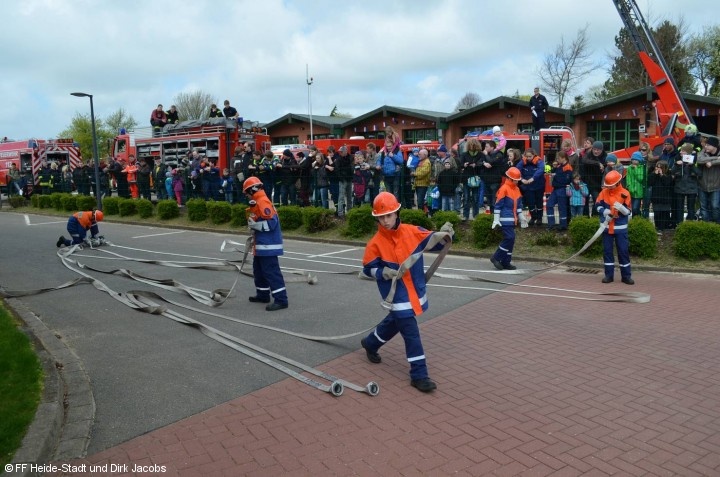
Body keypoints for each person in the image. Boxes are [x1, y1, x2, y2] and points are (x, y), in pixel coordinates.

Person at [359, 192, 453, 392]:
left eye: (389, 215)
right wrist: (381, 271)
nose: (385, 221)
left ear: (396, 213)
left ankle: (370, 342)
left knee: (396, 321)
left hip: (414, 291)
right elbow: (368, 268)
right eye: (381, 217)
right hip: (395, 294)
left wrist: (446, 234)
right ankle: (419, 374)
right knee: (411, 332)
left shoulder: (412, 232)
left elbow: (434, 242)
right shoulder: (375, 243)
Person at [243, 176, 288, 311]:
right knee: (259, 271)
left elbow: (272, 223)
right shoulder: (257, 201)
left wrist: (255, 226)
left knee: (271, 272)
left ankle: (281, 299)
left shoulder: (262, 202)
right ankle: (262, 294)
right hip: (261, 244)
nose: (246, 195)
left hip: (268, 245)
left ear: (252, 190)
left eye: (247, 192)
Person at [596, 170, 634, 284]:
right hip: (607, 227)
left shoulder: (625, 193)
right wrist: (604, 211)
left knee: (623, 251)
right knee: (607, 251)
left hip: (620, 228)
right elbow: (597, 206)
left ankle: (626, 276)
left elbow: (629, 211)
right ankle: (609, 275)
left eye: (611, 185)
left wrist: (623, 209)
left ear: (618, 183)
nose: (609, 188)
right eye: (608, 185)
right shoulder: (603, 192)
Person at [490, 167, 527, 271]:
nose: (518, 182)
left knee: (511, 240)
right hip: (505, 219)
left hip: (512, 219)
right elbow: (497, 205)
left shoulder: (517, 189)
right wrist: (496, 219)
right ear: (510, 179)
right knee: (509, 238)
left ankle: (506, 262)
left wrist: (521, 217)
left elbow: (519, 206)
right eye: (516, 180)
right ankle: (496, 257)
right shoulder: (503, 188)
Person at [671, 142, 699, 224]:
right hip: (679, 187)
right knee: (679, 208)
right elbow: (672, 172)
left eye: (683, 151)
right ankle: (679, 225)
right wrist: (676, 164)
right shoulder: (677, 159)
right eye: (681, 151)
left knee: (691, 208)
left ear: (688, 152)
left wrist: (692, 165)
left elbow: (699, 173)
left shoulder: (695, 160)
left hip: (691, 188)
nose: (680, 152)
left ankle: (690, 225)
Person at [546, 150, 573, 231]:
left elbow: (566, 180)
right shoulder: (560, 166)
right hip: (557, 189)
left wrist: (556, 181)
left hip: (562, 189)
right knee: (549, 205)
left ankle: (563, 225)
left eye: (558, 158)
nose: (557, 160)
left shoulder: (568, 167)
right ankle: (551, 224)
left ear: (563, 158)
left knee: (562, 208)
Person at [518, 148, 545, 226]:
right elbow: (517, 170)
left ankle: (539, 218)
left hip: (538, 186)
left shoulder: (539, 161)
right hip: (528, 186)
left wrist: (533, 178)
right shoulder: (522, 162)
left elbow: (541, 169)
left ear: (534, 155)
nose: (528, 158)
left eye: (530, 156)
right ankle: (533, 217)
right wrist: (521, 179)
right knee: (531, 203)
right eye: (527, 156)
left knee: (539, 203)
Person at [696, 136, 720, 224]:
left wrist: (712, 163)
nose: (705, 147)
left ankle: (716, 225)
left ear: (714, 146)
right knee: (703, 207)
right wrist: (714, 159)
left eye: (708, 145)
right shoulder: (703, 152)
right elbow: (699, 160)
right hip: (703, 185)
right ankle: (706, 226)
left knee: (715, 206)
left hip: (716, 185)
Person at [580, 140, 607, 216]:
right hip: (587, 182)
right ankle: (585, 218)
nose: (596, 151)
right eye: (594, 149)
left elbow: (609, 164)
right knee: (585, 201)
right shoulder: (589, 154)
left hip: (598, 183)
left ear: (602, 150)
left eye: (598, 150)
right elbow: (584, 160)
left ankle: (595, 218)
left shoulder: (605, 156)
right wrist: (598, 163)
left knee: (597, 200)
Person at [648, 161, 674, 233]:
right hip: (656, 197)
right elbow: (650, 182)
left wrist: (662, 175)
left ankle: (665, 227)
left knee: (665, 213)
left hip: (665, 198)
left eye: (660, 167)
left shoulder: (669, 174)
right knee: (657, 213)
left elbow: (667, 183)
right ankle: (658, 227)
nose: (658, 169)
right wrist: (654, 174)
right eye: (657, 167)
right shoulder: (653, 174)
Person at [625, 151, 646, 217]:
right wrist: (629, 187)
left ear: (639, 160)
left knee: (635, 208)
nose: (634, 161)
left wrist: (636, 169)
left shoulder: (642, 168)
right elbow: (628, 179)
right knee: (633, 209)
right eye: (633, 160)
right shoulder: (629, 168)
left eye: (636, 160)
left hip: (639, 192)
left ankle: (639, 218)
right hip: (631, 191)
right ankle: (635, 221)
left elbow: (641, 179)